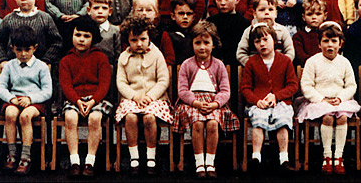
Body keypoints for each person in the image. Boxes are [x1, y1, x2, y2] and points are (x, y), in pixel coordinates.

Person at [173, 21, 240, 179]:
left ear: (213, 44)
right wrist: (195, 102)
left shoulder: (219, 65)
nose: (202, 47)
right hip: (192, 102)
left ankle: (210, 162)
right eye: (197, 43)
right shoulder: (186, 65)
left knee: (212, 123)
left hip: (214, 102)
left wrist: (215, 104)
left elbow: (225, 90)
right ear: (192, 44)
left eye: (206, 43)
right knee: (197, 122)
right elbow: (182, 90)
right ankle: (199, 163)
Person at [296, 22, 360, 175]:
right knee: (328, 118)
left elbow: (351, 85)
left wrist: (341, 98)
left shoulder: (344, 62)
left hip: (340, 100)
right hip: (319, 101)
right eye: (325, 41)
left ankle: (338, 156)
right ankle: (327, 156)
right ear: (319, 44)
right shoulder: (312, 61)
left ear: (340, 43)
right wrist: (321, 98)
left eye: (334, 41)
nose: (329, 45)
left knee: (343, 117)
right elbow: (307, 86)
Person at [115, 16, 173, 176]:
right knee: (131, 118)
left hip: (155, 98)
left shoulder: (156, 55)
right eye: (134, 40)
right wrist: (134, 96)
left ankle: (151, 157)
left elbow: (163, 80)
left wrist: (150, 96)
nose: (139, 43)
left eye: (143, 39)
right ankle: (134, 157)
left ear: (149, 38)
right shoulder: (124, 57)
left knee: (149, 118)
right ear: (128, 39)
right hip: (131, 98)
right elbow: (121, 83)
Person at [240, 23, 299, 173]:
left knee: (282, 119)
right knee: (258, 120)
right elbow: (245, 88)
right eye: (257, 41)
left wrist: (277, 96)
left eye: (266, 39)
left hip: (281, 101)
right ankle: (256, 157)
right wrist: (256, 100)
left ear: (274, 40)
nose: (262, 44)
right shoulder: (251, 63)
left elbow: (293, 85)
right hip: (259, 103)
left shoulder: (285, 61)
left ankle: (284, 159)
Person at [59, 16, 112, 178]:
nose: (81, 39)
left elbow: (104, 84)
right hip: (75, 99)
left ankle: (90, 161)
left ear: (93, 38)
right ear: (72, 36)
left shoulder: (100, 57)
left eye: (86, 36)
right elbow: (66, 85)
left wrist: (93, 101)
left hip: (97, 99)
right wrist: (77, 101)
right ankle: (74, 161)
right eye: (78, 35)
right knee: (70, 117)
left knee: (95, 119)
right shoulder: (66, 60)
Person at [0, 26, 53, 175]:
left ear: (35, 48)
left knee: (25, 116)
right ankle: (12, 154)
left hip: (34, 101)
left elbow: (47, 91)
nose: (23, 54)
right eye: (18, 50)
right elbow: (0, 87)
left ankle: (26, 157)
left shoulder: (41, 67)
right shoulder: (9, 66)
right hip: (15, 99)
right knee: (10, 114)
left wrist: (31, 99)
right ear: (12, 48)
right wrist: (11, 98)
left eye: (27, 49)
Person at [0, 0, 62, 68]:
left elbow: (56, 42)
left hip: (38, 70)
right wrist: (3, 59)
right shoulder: (9, 19)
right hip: (14, 69)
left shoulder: (45, 19)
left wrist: (46, 60)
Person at [236, 0, 295, 67]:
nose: (266, 13)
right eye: (262, 10)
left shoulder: (283, 31)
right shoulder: (249, 31)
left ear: (276, 13)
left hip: (278, 70)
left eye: (270, 9)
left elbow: (290, 52)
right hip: (256, 72)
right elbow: (241, 53)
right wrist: (252, 66)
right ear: (255, 14)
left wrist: (281, 65)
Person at [206, 0, 251, 66]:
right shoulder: (211, 23)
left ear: (237, 0)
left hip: (237, 66)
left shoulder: (244, 24)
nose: (222, 3)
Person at [131, 0, 175, 65]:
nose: (144, 13)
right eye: (140, 10)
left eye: (149, 10)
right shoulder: (129, 32)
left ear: (156, 13)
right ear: (133, 13)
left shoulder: (161, 34)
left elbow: (170, 58)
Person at [161, 0, 197, 65]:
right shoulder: (168, 36)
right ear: (173, 16)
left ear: (193, 17)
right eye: (181, 13)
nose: (185, 17)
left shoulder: (195, 35)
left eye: (189, 14)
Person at [292, 0, 327, 67]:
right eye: (309, 14)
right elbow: (300, 56)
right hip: (307, 69)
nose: (314, 17)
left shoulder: (328, 34)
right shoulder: (298, 36)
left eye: (318, 14)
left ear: (325, 16)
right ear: (303, 17)